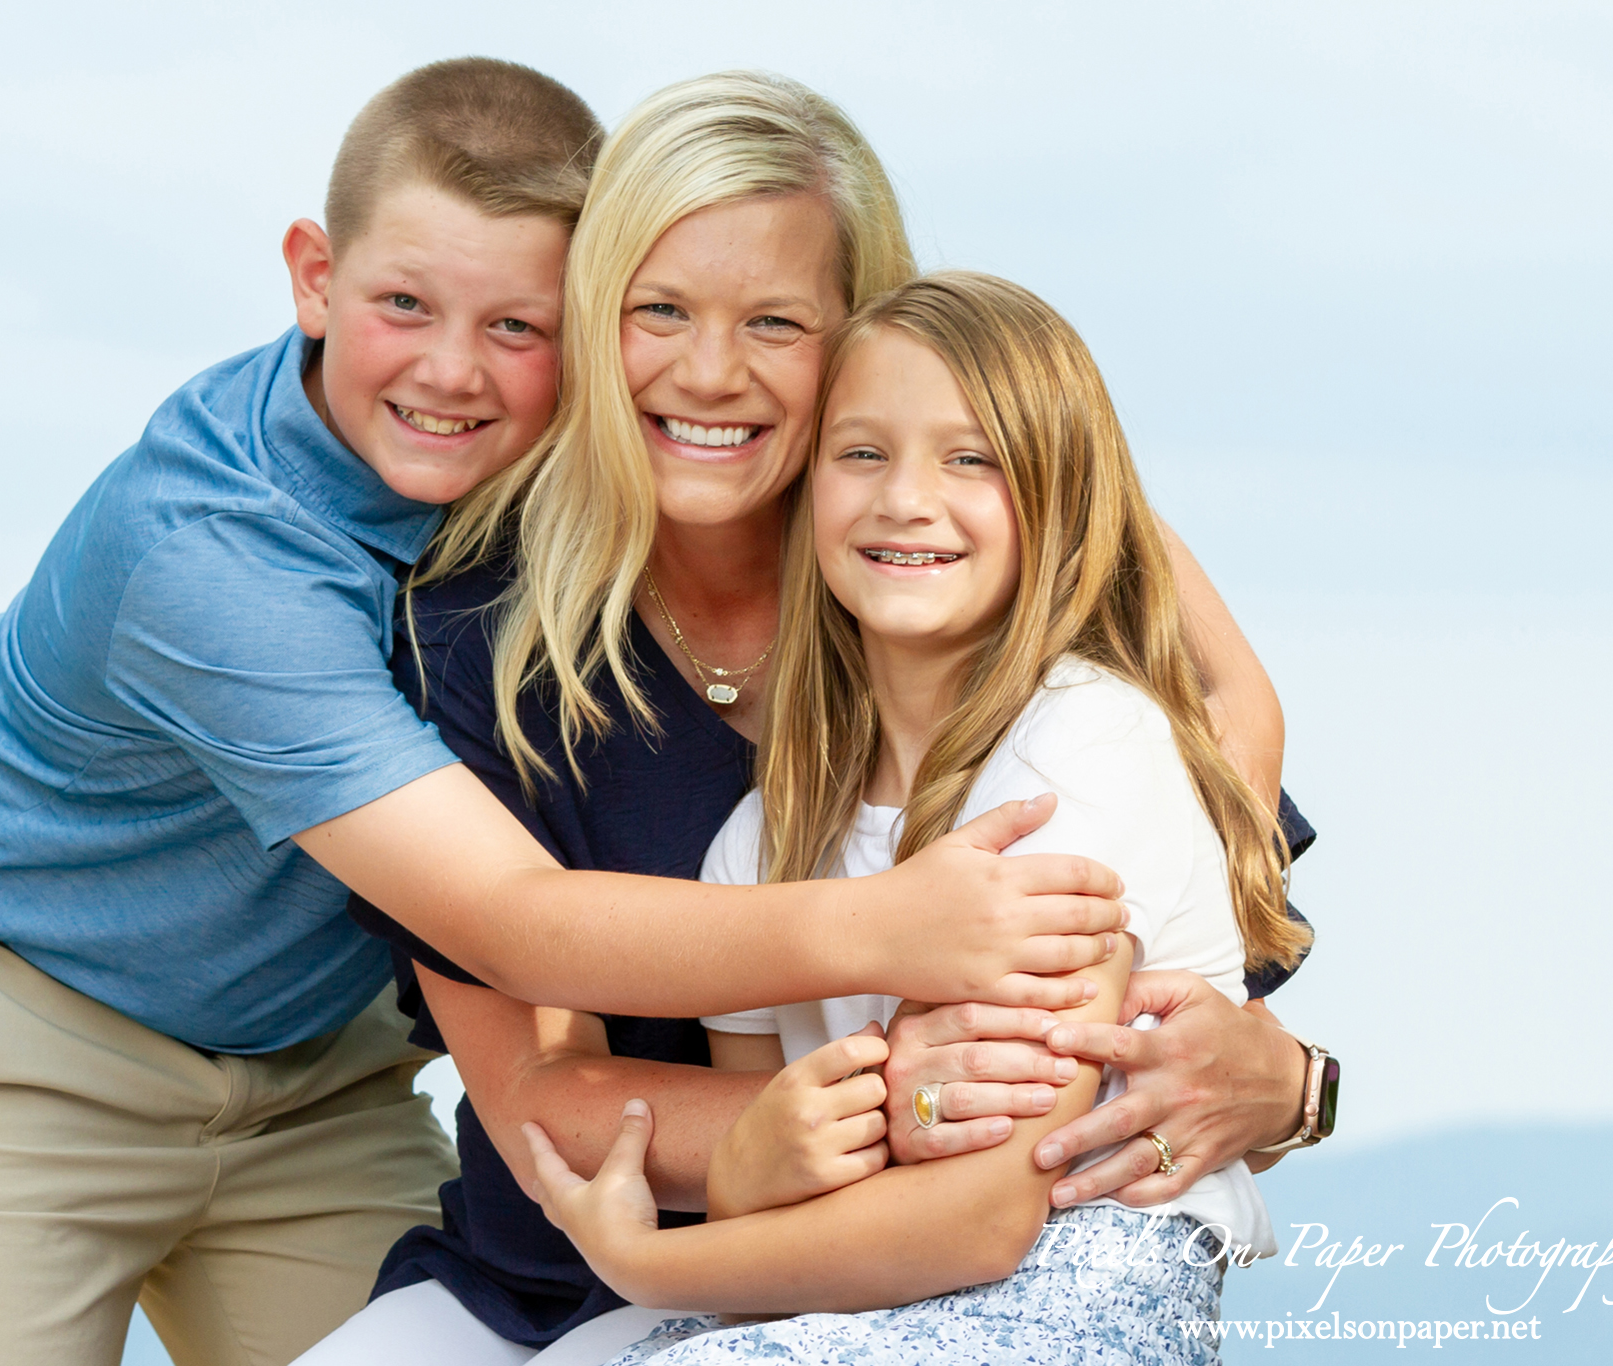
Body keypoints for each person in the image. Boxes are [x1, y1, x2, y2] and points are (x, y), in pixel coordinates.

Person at [0, 58, 1125, 1366]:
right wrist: (886, 940)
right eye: (403, 304)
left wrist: (1267, 1057)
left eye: (518, 325)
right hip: (15, 1032)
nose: (456, 370)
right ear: (314, 277)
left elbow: (1111, 571)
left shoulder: (774, 469)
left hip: (313, 1072)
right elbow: (515, 925)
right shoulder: (215, 557)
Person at [310, 73, 1321, 1366]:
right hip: (596, 1252)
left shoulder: (946, 569)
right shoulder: (485, 633)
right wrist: (816, 1114)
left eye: (776, 321)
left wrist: (1293, 1078)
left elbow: (1217, 752)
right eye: (657, 310)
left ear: (861, 337)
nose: (710, 369)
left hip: (910, 1258)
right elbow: (538, 1087)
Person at [524, 270, 1313, 1364]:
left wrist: (649, 1262)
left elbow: (990, 1209)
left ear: (1054, 497)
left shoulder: (1078, 748)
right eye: (861, 452)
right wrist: (778, 1157)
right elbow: (775, 1233)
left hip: (1075, 1285)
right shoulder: (756, 843)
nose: (904, 497)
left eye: (970, 457)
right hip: (857, 1304)